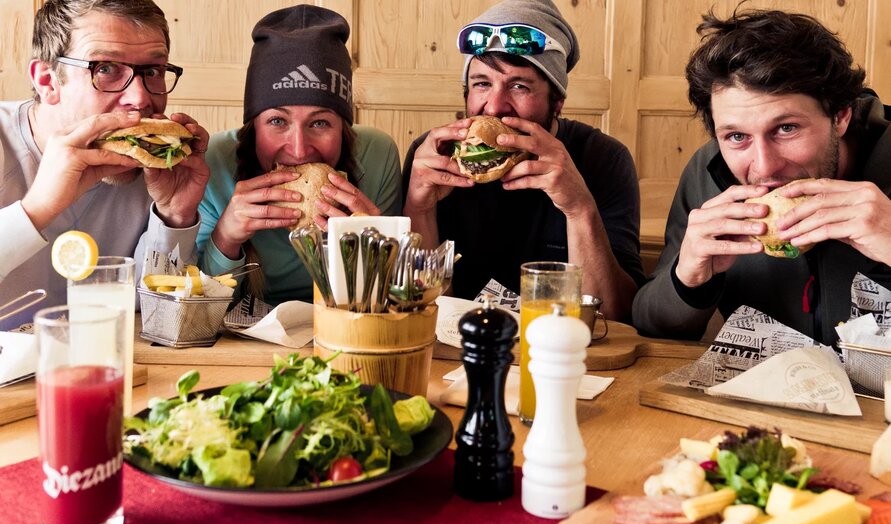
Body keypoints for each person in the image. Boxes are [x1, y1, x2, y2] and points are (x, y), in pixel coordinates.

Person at [632, 8, 891, 345]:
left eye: (786, 128)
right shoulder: (708, 173)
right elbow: (651, 325)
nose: (764, 167)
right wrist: (688, 279)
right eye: (737, 137)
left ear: (840, 116)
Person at [401, 0, 643, 321]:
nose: (495, 107)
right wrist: (419, 209)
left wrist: (579, 209)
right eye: (482, 84)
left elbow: (616, 317)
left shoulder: (604, 159)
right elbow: (415, 308)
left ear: (556, 102)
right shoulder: (435, 156)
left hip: (563, 354)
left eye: (519, 86)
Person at [0, 0, 209, 330]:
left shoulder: (160, 166)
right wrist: (35, 210)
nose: (140, 99)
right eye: (106, 69)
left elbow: (160, 321)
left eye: (151, 72)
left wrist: (173, 215)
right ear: (47, 81)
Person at [198, 5, 402, 305]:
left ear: (343, 125)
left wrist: (377, 247)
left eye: (319, 123)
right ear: (254, 124)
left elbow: (387, 302)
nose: (298, 149)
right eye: (277, 121)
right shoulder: (215, 160)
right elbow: (205, 308)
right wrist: (226, 237)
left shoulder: (376, 156)